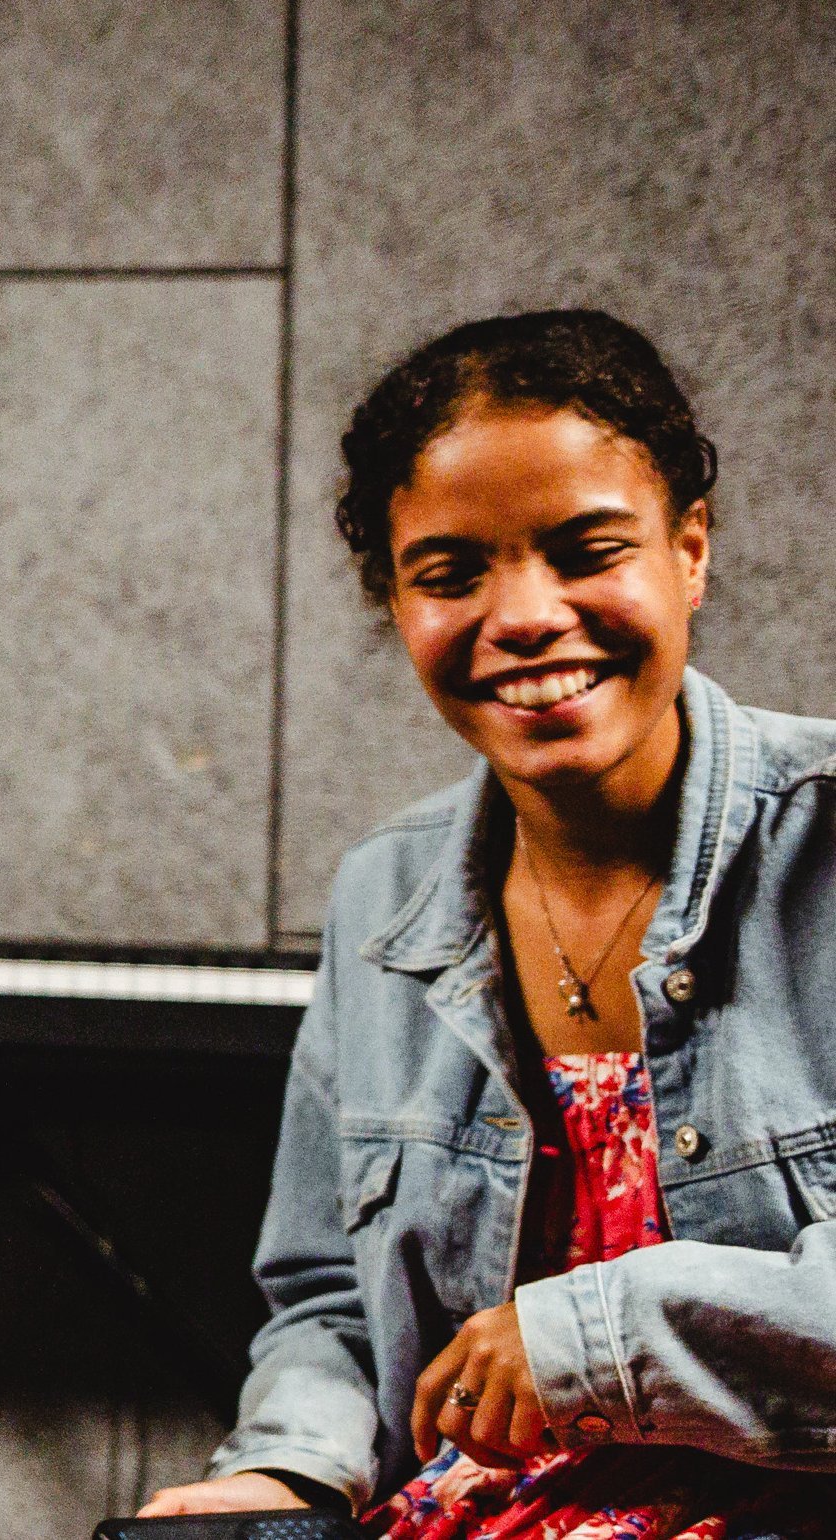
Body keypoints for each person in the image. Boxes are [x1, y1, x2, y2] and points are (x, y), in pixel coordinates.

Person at [140, 310, 836, 1534]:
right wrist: (288, 1470)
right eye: (450, 574)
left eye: (585, 549)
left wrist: (592, 1339)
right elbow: (326, 1303)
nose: (520, 615)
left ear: (690, 551)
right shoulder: (380, 896)